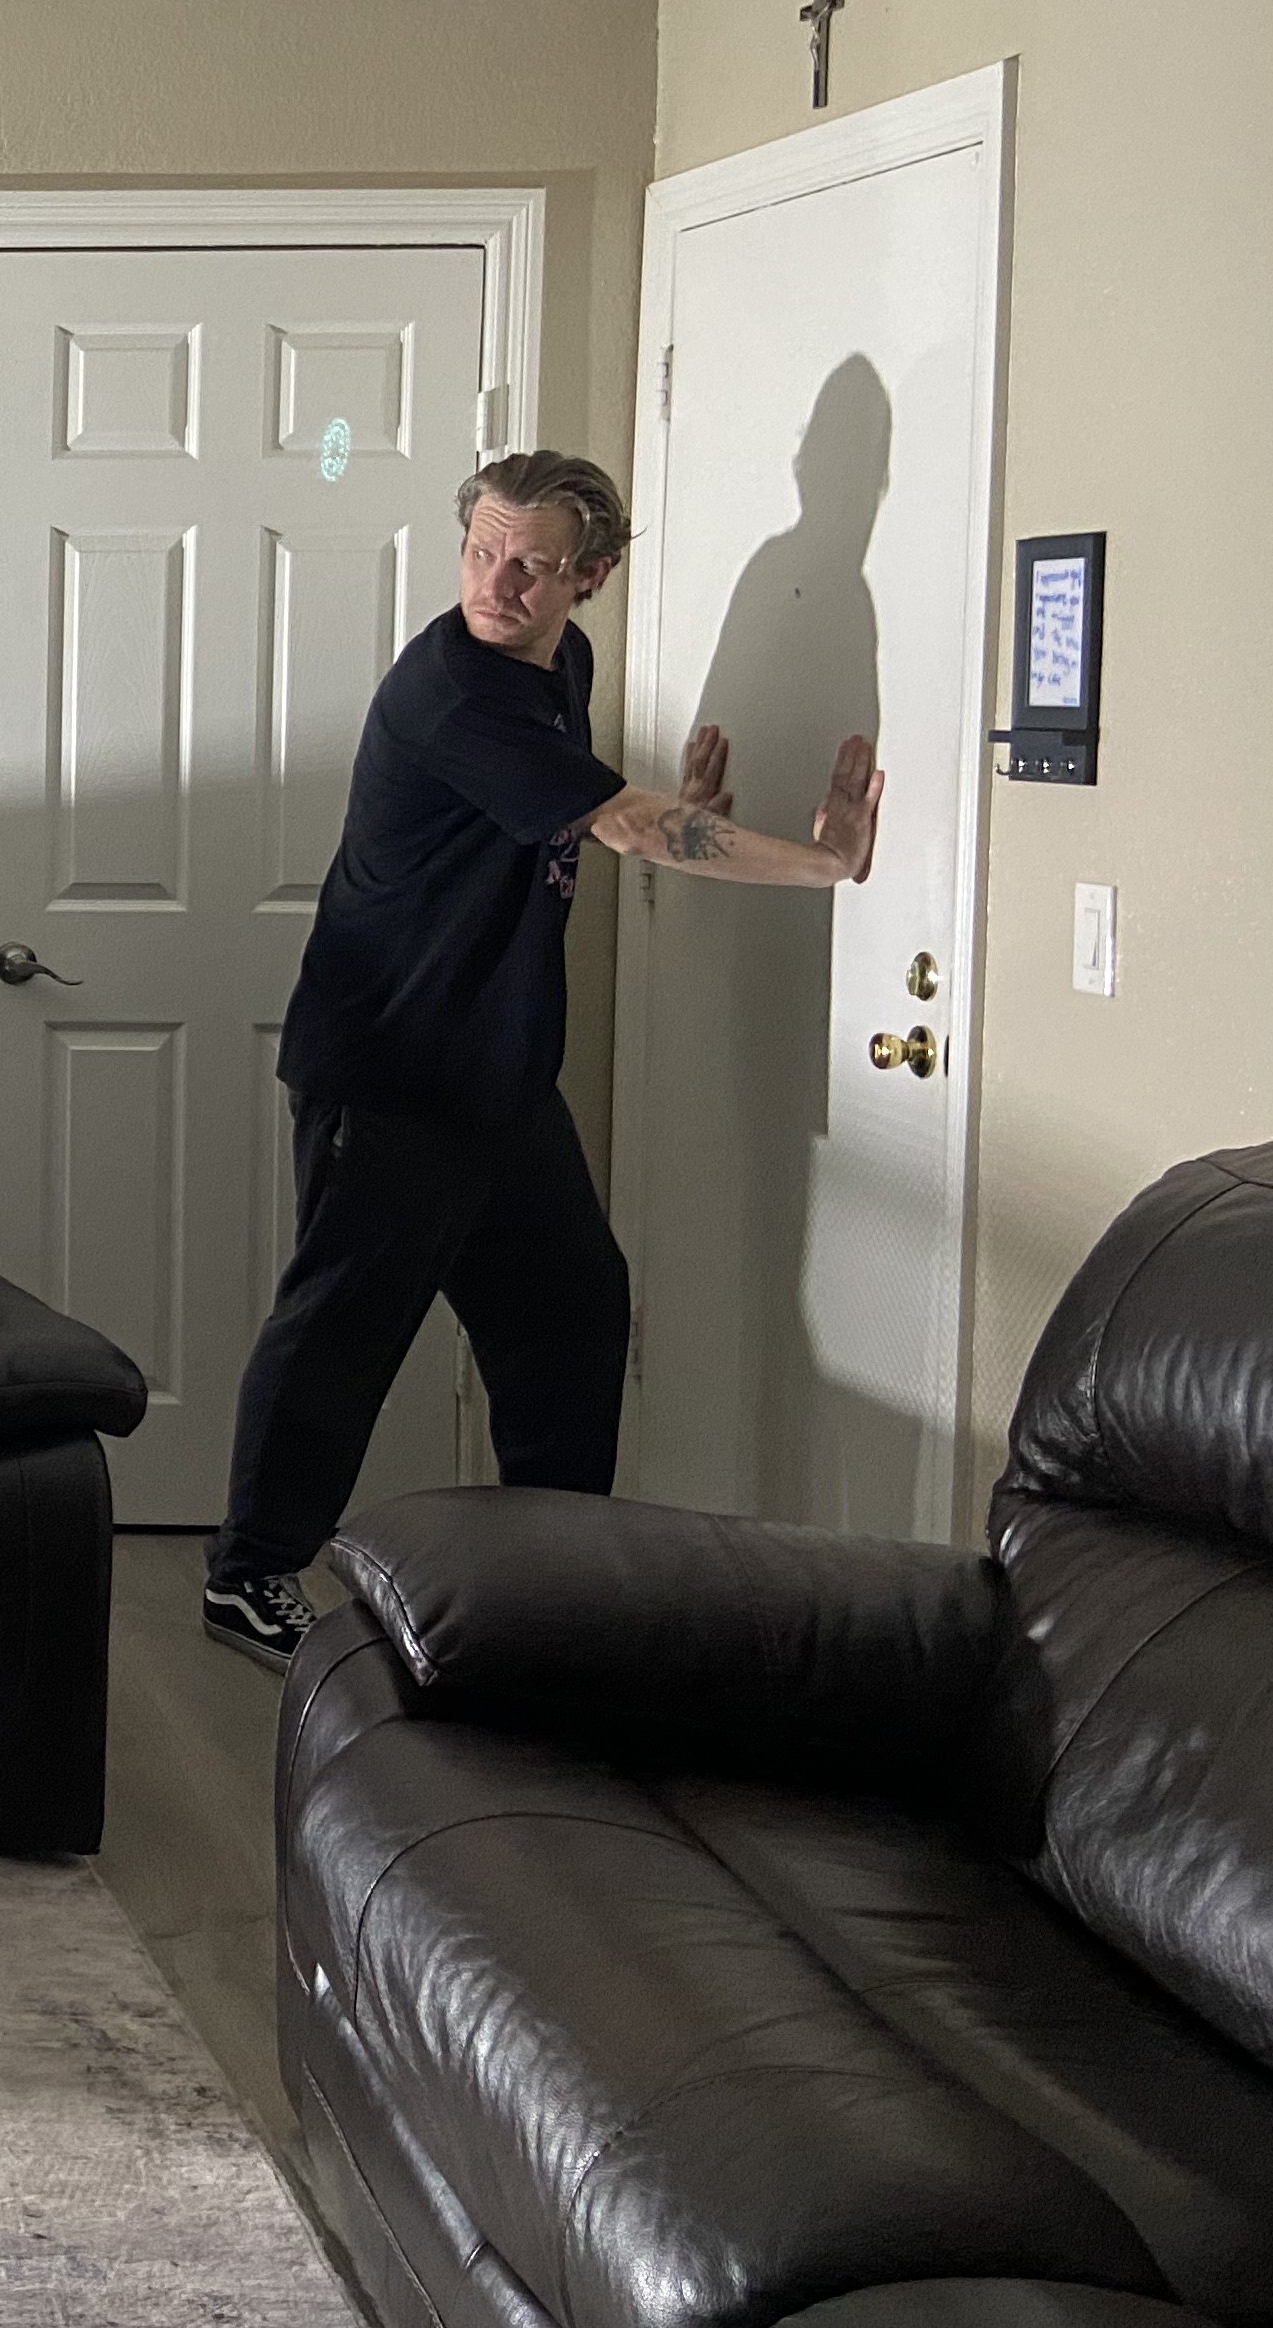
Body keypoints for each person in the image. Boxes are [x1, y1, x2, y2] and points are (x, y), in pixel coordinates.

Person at [199, 450, 881, 1667]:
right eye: (481, 551)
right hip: (389, 1068)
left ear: (591, 577)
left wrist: (682, 811)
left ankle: (549, 1577)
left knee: (572, 1313)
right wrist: (822, 863)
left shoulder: (561, 663)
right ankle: (248, 1576)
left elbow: (586, 807)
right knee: (344, 1327)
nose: (496, 583)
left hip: (498, 1074)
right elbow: (622, 826)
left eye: (531, 565)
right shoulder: (451, 692)